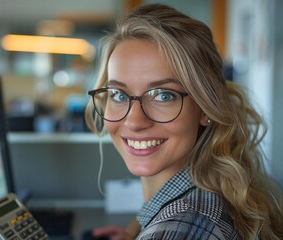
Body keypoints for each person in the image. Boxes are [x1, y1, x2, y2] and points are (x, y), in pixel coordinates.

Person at [84, 3, 283, 240]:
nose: (135, 121)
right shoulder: (197, 205)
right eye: (118, 94)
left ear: (204, 108)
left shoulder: (185, 225)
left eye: (163, 95)